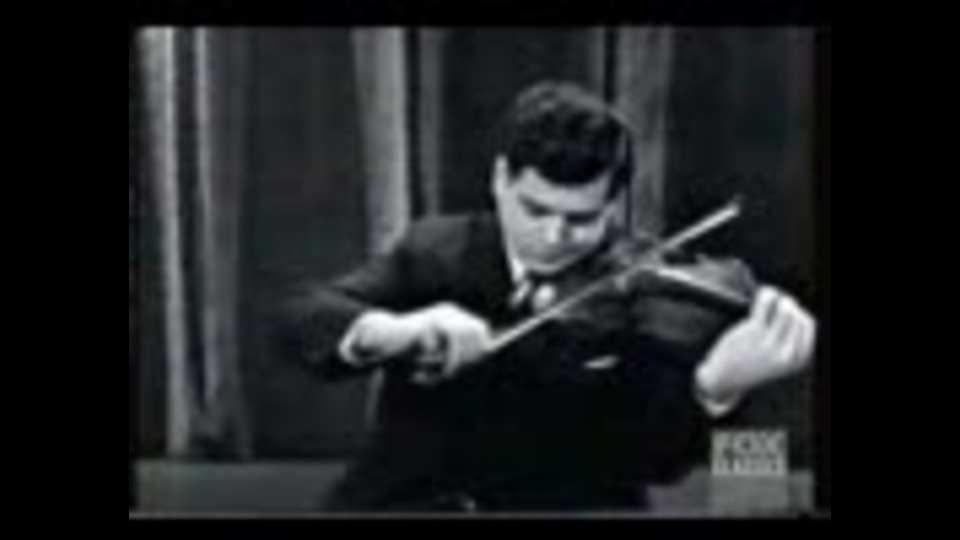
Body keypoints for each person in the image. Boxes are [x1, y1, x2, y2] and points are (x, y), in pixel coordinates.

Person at [276, 81, 816, 513]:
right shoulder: (437, 252)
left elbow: (657, 462)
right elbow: (301, 316)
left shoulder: (652, 290)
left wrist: (713, 388)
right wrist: (392, 331)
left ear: (614, 203)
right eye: (535, 210)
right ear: (500, 179)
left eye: (581, 218)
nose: (554, 237)